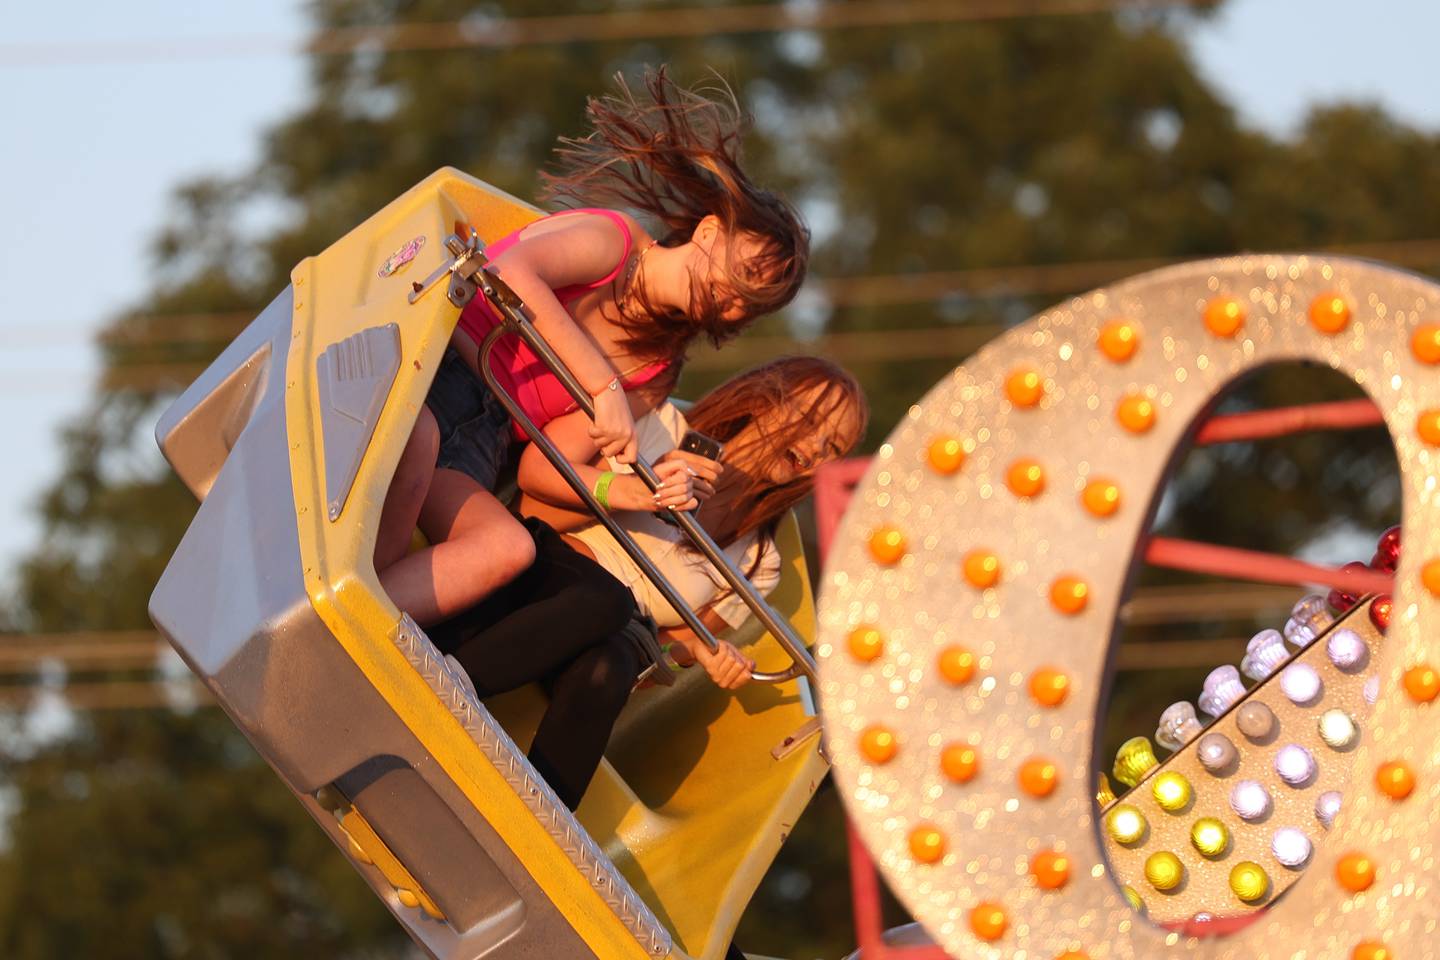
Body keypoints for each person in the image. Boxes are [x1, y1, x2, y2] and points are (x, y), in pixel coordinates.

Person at [375, 67, 810, 627]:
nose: (734, 302)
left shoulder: (656, 372)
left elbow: (543, 460)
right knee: (418, 438)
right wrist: (600, 385)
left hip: (481, 442)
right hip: (436, 369)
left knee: (509, 550)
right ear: (707, 232)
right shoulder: (616, 241)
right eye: (743, 275)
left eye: (751, 305)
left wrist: (639, 493)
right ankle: (354, 595)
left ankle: (365, 622)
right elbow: (509, 272)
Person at [437, 356, 867, 811]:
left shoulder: (760, 561)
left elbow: (659, 657)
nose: (817, 445)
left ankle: (538, 813)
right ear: (765, 397)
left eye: (834, 446)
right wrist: (637, 492)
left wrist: (699, 655)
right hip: (546, 577)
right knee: (604, 601)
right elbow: (533, 504)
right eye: (810, 419)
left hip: (614, 634)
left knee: (613, 668)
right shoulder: (653, 424)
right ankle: (448, 682)